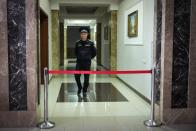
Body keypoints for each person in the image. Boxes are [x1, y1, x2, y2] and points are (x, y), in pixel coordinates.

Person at [74, 27, 97, 98]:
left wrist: (89, 57)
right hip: (79, 62)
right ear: (80, 35)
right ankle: (80, 87)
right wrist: (79, 57)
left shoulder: (91, 43)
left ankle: (84, 90)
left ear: (87, 34)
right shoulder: (77, 43)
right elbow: (75, 52)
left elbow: (94, 53)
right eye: (82, 34)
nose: (83, 35)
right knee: (76, 76)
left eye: (85, 33)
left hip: (87, 63)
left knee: (86, 79)